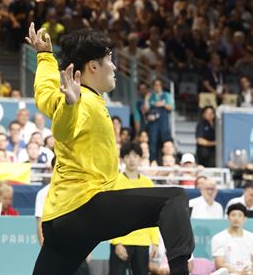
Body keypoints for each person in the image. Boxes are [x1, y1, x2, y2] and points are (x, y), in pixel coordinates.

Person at [27, 23, 194, 275]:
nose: (115, 67)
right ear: (93, 66)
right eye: (110, 60)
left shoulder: (64, 94)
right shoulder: (82, 102)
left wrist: (44, 56)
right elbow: (62, 131)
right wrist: (71, 106)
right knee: (174, 199)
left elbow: (43, 89)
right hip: (85, 207)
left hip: (58, 218)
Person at [109, 142, 160, 275]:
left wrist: (155, 242)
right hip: (121, 241)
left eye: (135, 156)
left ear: (140, 159)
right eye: (128, 156)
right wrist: (116, 242)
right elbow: (111, 214)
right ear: (122, 159)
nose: (132, 159)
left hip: (142, 242)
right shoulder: (115, 182)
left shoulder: (147, 183)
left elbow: (152, 213)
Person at [35, 158, 91, 275]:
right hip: (54, 252)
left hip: (77, 251)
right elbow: (40, 225)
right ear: (53, 169)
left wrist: (88, 250)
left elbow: (84, 223)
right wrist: (46, 252)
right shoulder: (43, 193)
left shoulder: (79, 191)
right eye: (59, 167)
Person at [211, 203, 253, 275]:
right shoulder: (218, 238)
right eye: (233, 215)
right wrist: (239, 273)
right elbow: (220, 264)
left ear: (244, 218)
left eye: (240, 215)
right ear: (228, 217)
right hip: (229, 273)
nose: (236, 218)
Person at [145, 79, 174, 163]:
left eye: (159, 85)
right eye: (155, 85)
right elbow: (146, 109)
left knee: (165, 141)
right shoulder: (151, 96)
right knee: (153, 142)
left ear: (161, 86)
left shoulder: (167, 95)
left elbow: (172, 108)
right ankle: (153, 161)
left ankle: (166, 161)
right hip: (153, 123)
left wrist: (163, 104)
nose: (157, 87)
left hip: (163, 121)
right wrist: (146, 99)